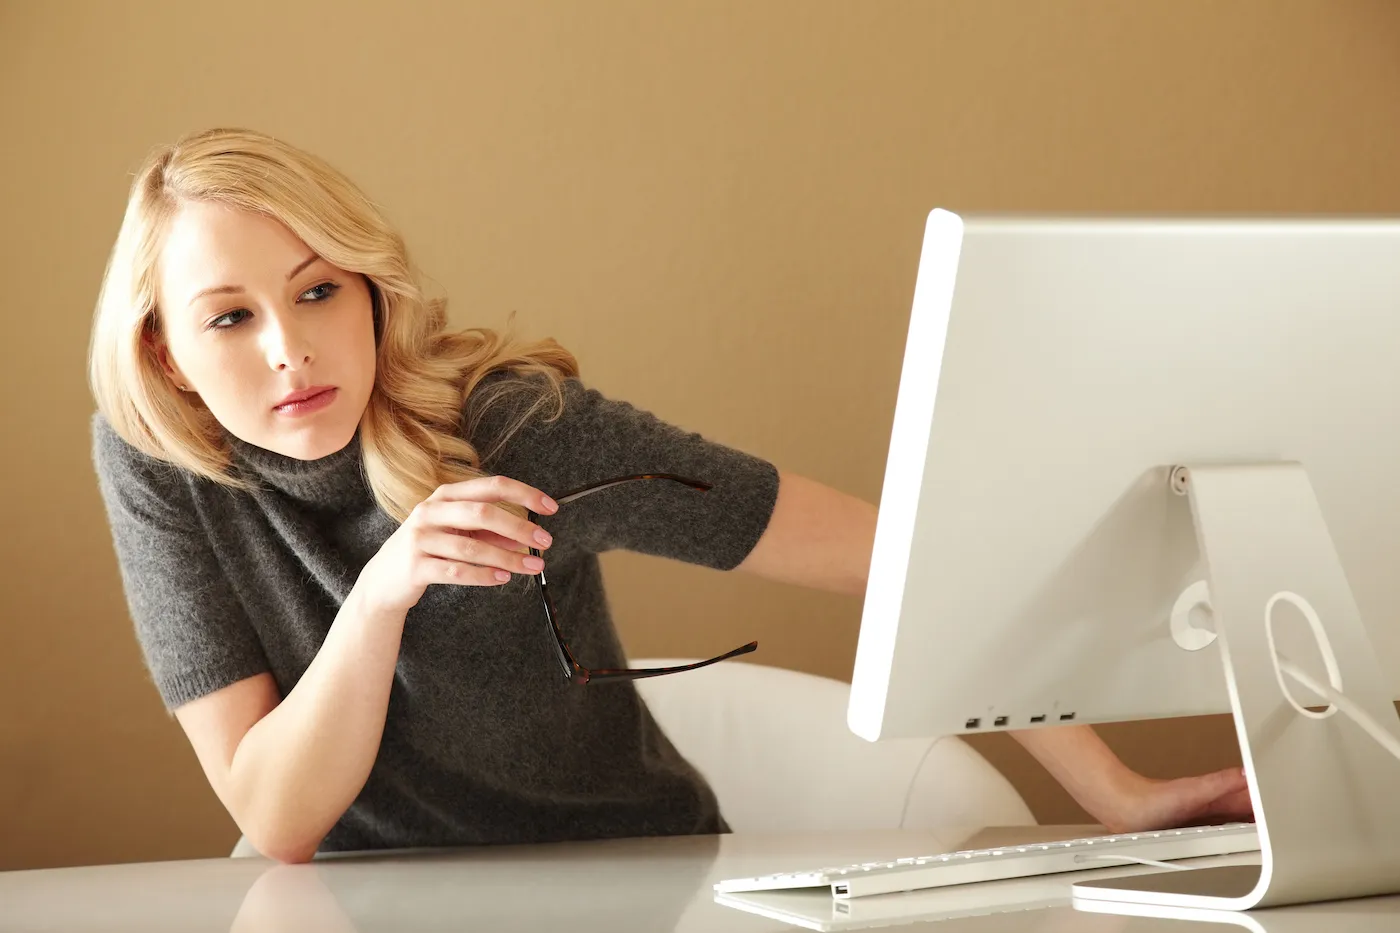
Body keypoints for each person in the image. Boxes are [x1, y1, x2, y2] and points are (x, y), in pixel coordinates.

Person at [88, 128, 1253, 864]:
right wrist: (382, 594)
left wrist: (1115, 790)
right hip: (347, 901)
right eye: (230, 316)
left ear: (371, 293)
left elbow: (901, 561)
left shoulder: (519, 432)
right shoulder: (155, 466)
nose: (290, 350)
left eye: (318, 291)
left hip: (622, 880)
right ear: (166, 353)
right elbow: (276, 819)